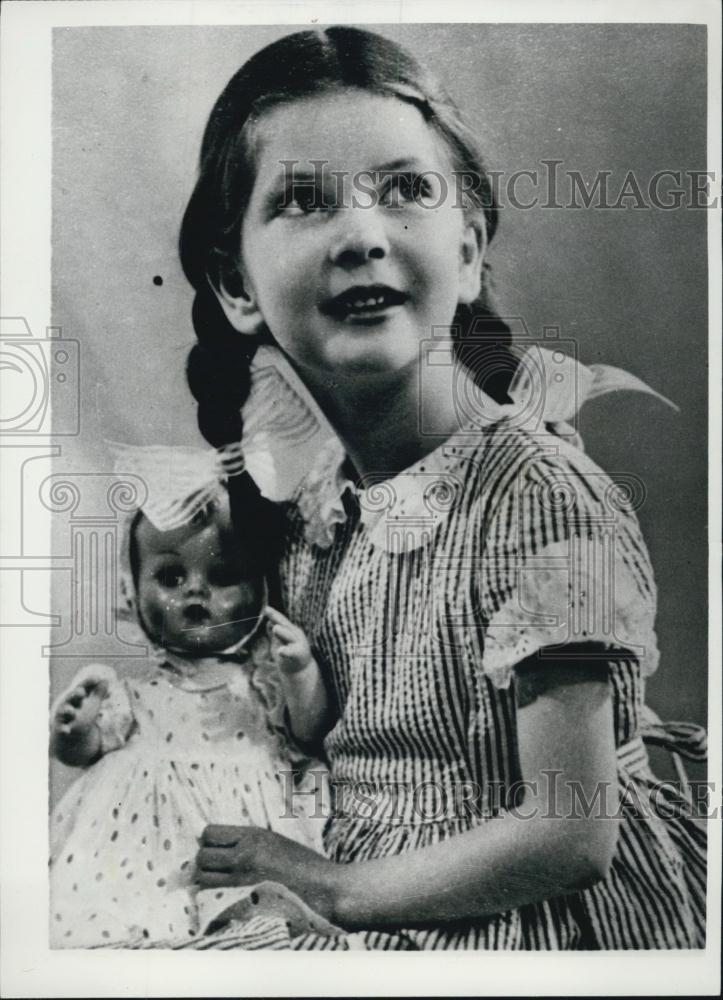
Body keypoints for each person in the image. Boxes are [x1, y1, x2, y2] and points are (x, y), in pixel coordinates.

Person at [179, 26, 706, 949]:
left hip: (522, 920)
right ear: (235, 283)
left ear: (465, 252)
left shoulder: (542, 497)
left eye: (406, 190)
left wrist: (330, 889)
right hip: (367, 880)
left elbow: (566, 832)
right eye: (303, 201)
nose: (360, 236)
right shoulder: (314, 509)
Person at [49, 459, 334, 948]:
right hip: (144, 844)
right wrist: (74, 729)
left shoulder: (263, 679)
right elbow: (84, 752)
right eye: (171, 576)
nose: (197, 590)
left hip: (246, 831)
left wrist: (300, 671)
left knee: (257, 925)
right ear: (131, 592)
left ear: (263, 587)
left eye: (224, 575)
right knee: (130, 914)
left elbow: (309, 731)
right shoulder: (130, 694)